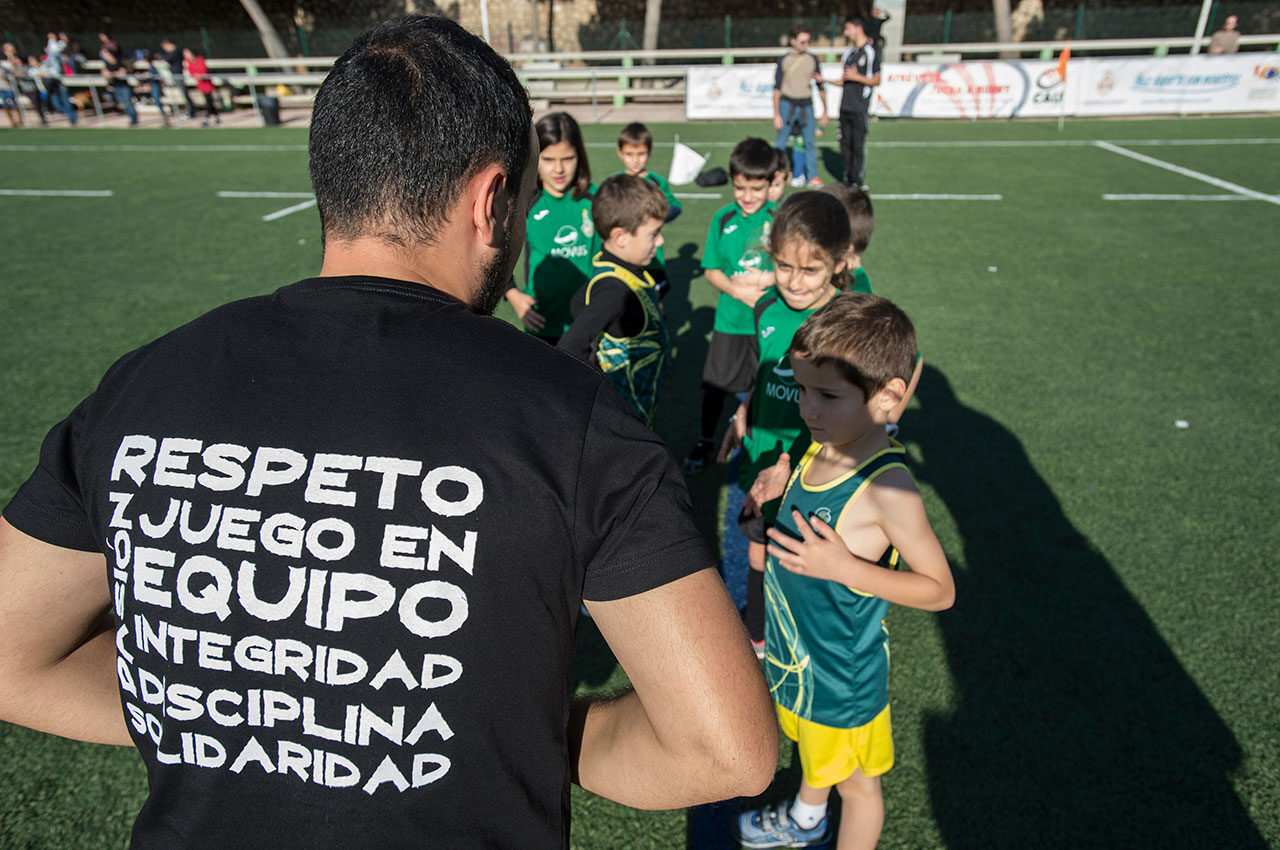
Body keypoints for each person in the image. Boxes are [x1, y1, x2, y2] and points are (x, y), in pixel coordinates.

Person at [0, 16, 777, 849]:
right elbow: (725, 753)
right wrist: (502, 735)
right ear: (490, 201)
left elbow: (14, 660)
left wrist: (251, 710)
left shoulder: (141, 383)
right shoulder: (572, 418)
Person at [735, 294, 954, 850]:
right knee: (830, 764)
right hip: (801, 662)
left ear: (888, 398)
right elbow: (803, 497)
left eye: (827, 395)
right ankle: (809, 816)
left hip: (840, 682)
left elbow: (939, 590)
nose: (807, 408)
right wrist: (778, 481)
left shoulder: (889, 488)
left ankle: (816, 818)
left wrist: (845, 566)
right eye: (804, 389)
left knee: (860, 790)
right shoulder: (824, 441)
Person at [718, 191, 852, 654]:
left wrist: (789, 464)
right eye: (784, 266)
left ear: (837, 263)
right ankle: (757, 635)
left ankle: (806, 639)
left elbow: (842, 416)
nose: (794, 282)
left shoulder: (845, 323)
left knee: (805, 553)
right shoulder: (765, 308)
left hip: (815, 467)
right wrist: (743, 412)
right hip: (762, 454)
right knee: (757, 548)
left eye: (810, 269)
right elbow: (765, 369)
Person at [680, 137, 777, 474]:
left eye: (756, 188)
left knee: (768, 386)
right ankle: (706, 439)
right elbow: (711, 270)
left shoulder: (780, 219)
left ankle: (763, 443)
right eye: (740, 188)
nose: (747, 197)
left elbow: (796, 266)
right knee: (716, 386)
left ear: (771, 183)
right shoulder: (722, 218)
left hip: (770, 323)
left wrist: (768, 281)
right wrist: (740, 293)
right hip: (731, 320)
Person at [557, 174, 670, 425]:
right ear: (620, 237)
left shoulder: (621, 268)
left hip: (636, 407)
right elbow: (569, 346)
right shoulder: (614, 290)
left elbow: (578, 301)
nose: (661, 241)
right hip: (623, 421)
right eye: (654, 234)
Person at [506, 111, 597, 343]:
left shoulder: (596, 200)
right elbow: (497, 251)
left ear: (580, 157)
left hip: (589, 322)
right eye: (548, 160)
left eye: (567, 159)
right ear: (534, 157)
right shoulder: (525, 203)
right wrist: (513, 294)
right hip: (542, 322)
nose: (558, 169)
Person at [611, 121, 681, 295]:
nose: (635, 160)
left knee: (657, 300)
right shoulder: (614, 182)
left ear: (650, 152)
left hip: (652, 257)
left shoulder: (657, 182)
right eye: (629, 154)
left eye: (641, 154)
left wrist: (656, 218)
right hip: (622, 254)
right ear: (619, 153)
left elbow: (675, 206)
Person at [773, 24, 828, 191]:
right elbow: (777, 89)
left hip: (806, 106)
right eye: (802, 41)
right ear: (793, 41)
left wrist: (825, 110)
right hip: (786, 105)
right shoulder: (784, 60)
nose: (806, 45)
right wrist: (776, 114)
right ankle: (778, 174)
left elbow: (820, 85)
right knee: (781, 143)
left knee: (809, 142)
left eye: (808, 42)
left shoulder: (812, 59)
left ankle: (813, 176)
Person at [829, 17, 881, 189]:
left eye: (847, 28)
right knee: (844, 145)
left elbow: (876, 79)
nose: (845, 32)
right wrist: (825, 80)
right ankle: (848, 179)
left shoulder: (871, 51)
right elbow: (844, 80)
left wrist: (857, 77)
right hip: (844, 107)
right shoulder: (848, 53)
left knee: (857, 145)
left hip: (859, 108)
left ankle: (857, 181)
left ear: (858, 28)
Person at [158, 38, 196, 119]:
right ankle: (190, 111)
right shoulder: (174, 52)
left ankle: (190, 112)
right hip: (175, 75)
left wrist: (164, 54)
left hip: (178, 74)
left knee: (184, 94)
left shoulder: (176, 51)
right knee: (183, 94)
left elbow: (167, 59)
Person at [100, 46, 138, 126]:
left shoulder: (118, 61)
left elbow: (122, 72)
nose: (104, 55)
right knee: (123, 102)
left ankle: (134, 120)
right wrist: (112, 74)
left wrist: (113, 74)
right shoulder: (106, 64)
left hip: (124, 86)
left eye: (105, 53)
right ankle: (131, 118)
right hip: (116, 86)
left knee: (128, 103)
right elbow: (104, 73)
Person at [183, 48, 221, 126]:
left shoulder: (200, 59)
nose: (186, 55)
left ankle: (206, 119)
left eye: (187, 53)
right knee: (209, 101)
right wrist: (196, 75)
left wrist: (201, 75)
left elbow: (204, 69)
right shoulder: (188, 62)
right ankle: (217, 116)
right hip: (200, 84)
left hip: (206, 83)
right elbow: (190, 71)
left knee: (208, 101)